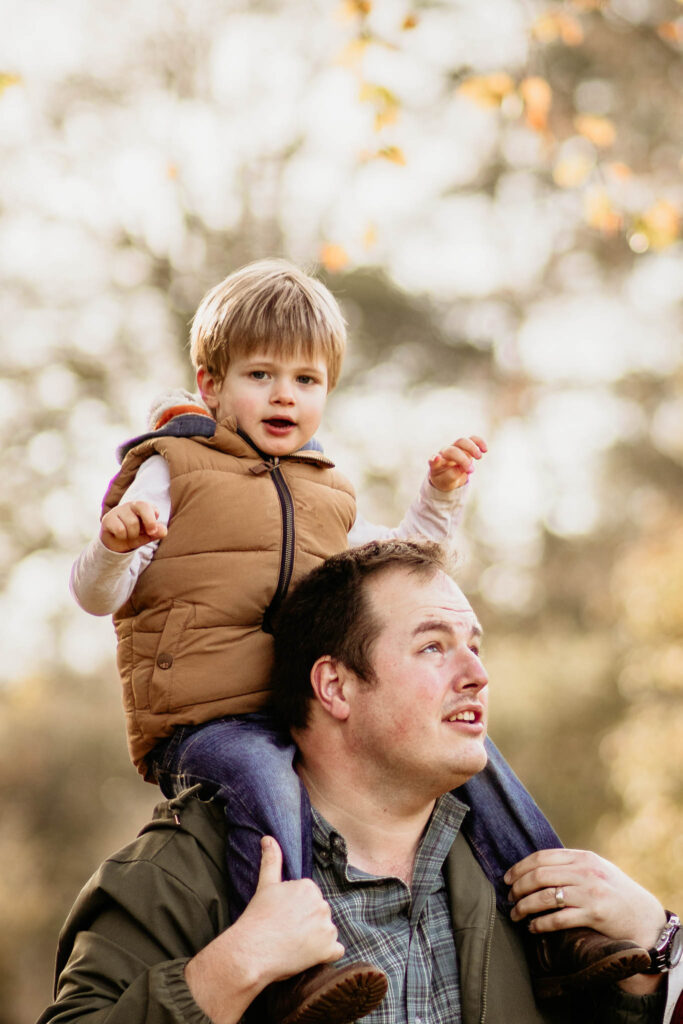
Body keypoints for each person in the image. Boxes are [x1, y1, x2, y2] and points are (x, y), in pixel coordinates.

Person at [69, 259, 644, 1018]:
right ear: (210, 386)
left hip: (285, 709)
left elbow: (405, 567)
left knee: (484, 762)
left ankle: (557, 927)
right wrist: (116, 546)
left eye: (306, 381)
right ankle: (292, 967)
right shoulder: (172, 469)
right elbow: (96, 594)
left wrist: (438, 496)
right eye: (261, 374)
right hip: (205, 722)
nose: (284, 394)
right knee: (266, 782)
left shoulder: (322, 492)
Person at [40, 541, 680, 1024]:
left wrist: (658, 945)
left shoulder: (525, 883)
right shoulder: (182, 871)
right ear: (335, 685)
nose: (476, 674)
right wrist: (230, 969)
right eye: (433, 647)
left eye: (475, 646)